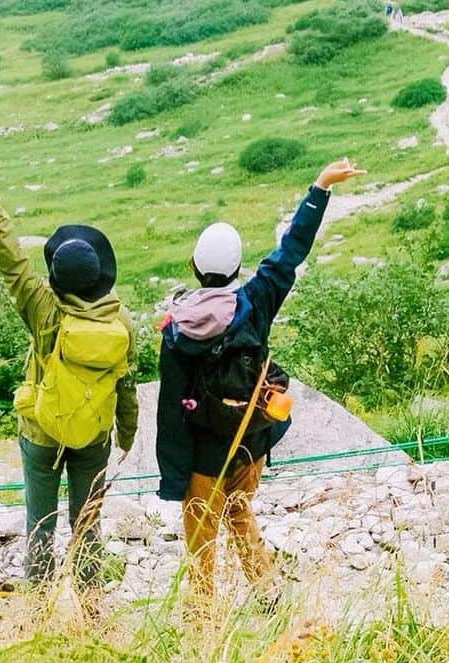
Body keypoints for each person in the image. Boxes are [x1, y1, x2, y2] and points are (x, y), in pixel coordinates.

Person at [156, 157, 366, 604]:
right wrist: (320, 187)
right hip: (251, 435)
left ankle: (202, 612)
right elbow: (291, 252)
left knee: (200, 528)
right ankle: (267, 591)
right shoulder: (256, 301)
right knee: (238, 509)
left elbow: (170, 406)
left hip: (203, 448)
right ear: (236, 269)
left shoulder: (176, 328)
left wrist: (173, 477)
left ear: (195, 265)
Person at [0, 164, 138, 589]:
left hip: (41, 430)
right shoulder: (119, 319)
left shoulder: (44, 311)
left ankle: (39, 611)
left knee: (40, 526)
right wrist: (127, 435)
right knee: (87, 527)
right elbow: (126, 384)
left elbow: (13, 265)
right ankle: (91, 607)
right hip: (94, 435)